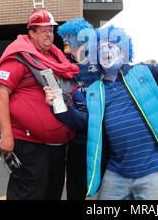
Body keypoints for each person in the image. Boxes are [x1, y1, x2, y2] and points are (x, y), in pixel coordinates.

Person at [44, 25, 158, 200]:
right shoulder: (96, 90)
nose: (105, 50)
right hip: (115, 173)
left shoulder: (146, 73)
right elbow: (84, 123)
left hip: (153, 172)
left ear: (124, 52)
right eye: (100, 47)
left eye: (111, 45)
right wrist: (59, 106)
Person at [0, 6, 79, 200]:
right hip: (29, 145)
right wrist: (6, 135)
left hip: (56, 147)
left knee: (51, 194)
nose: (49, 34)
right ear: (31, 32)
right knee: (29, 195)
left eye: (51, 29)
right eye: (43, 30)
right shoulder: (20, 56)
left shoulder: (55, 58)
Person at [57, 18, 101, 200]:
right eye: (64, 36)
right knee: (75, 190)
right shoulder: (63, 67)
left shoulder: (100, 65)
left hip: (100, 139)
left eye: (70, 36)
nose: (65, 40)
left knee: (109, 191)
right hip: (75, 141)